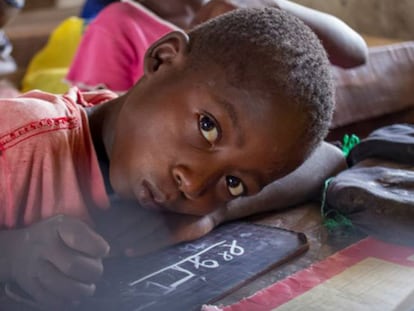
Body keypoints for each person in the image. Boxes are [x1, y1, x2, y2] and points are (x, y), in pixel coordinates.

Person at [0, 8, 342, 309]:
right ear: (162, 59)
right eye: (208, 127)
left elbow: (328, 157)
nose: (193, 185)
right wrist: (11, 254)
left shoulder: (149, 152)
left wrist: (215, 212)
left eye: (233, 182)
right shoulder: (20, 140)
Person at [65, 0, 367, 93]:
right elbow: (97, 129)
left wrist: (269, 7)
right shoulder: (118, 24)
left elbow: (355, 53)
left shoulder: (241, 6)